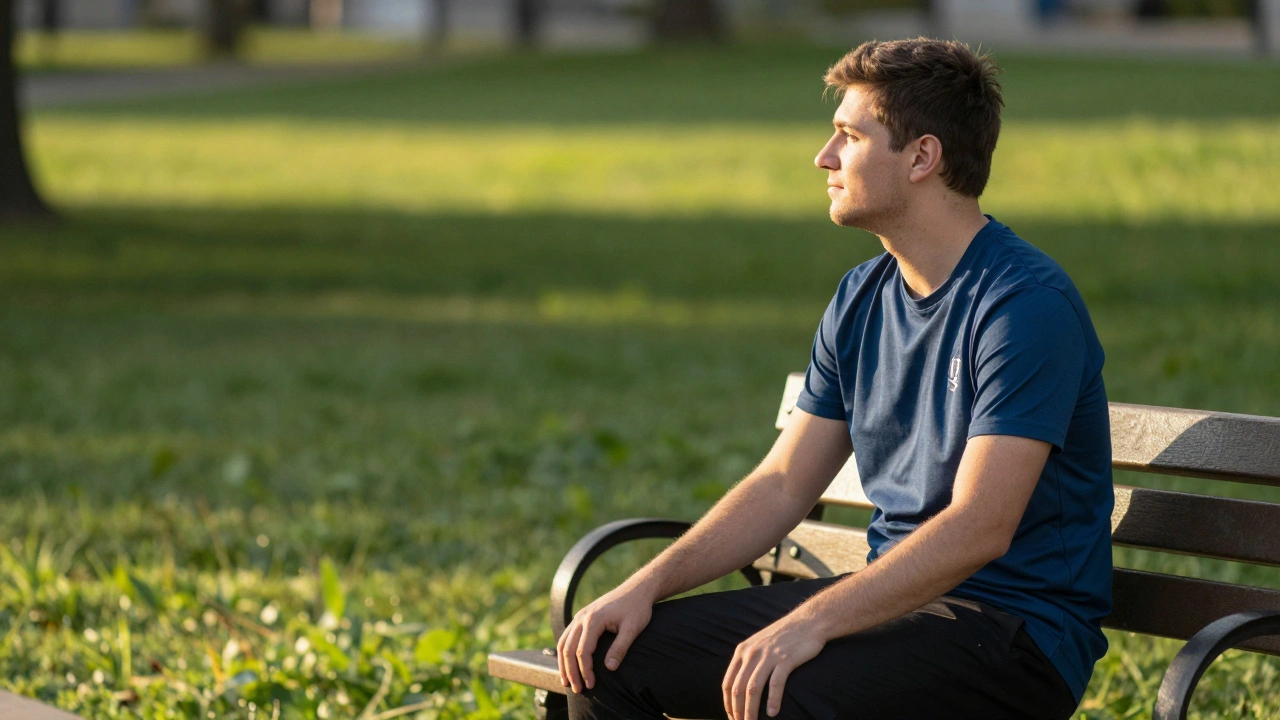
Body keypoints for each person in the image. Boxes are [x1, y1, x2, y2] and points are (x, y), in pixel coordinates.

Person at [556, 38, 1113, 720]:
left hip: (1010, 634)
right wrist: (646, 586)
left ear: (922, 157)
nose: (824, 158)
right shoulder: (861, 296)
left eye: (849, 136)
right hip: (887, 608)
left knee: (780, 688)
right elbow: (783, 482)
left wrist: (811, 622)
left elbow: (978, 527)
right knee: (608, 660)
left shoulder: (1023, 305)